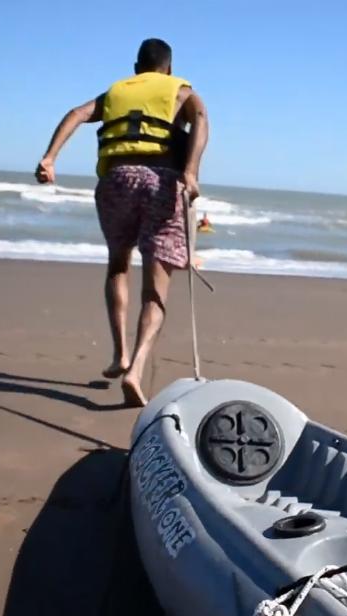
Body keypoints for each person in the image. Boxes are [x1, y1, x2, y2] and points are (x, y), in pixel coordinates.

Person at [34, 38, 209, 407]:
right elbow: (202, 120)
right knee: (156, 283)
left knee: (118, 264)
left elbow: (77, 114)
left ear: (136, 68)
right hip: (160, 180)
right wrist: (191, 171)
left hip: (117, 180)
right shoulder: (180, 89)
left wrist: (50, 158)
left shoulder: (115, 91)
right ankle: (137, 368)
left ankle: (121, 354)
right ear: (169, 68)